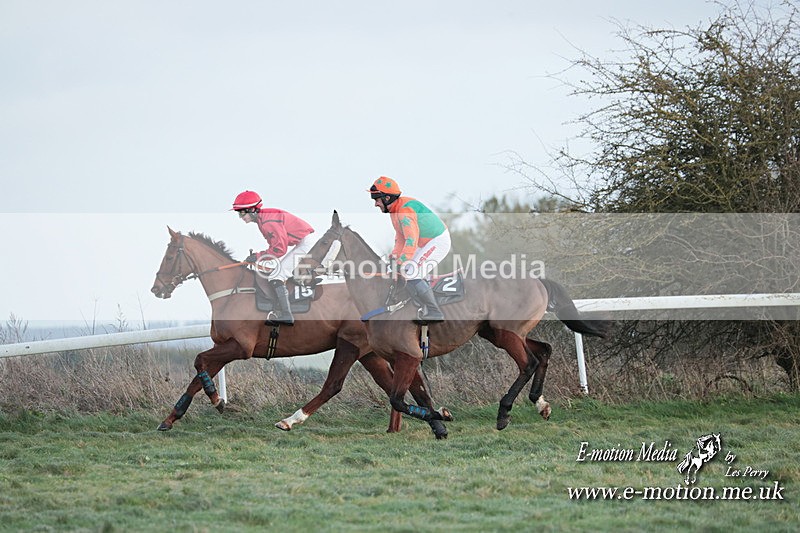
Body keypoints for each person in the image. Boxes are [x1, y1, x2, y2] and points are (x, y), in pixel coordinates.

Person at [369, 176, 451, 322]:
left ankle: (434, 311)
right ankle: (417, 303)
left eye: (377, 199)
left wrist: (400, 263)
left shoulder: (404, 211)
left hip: (437, 241)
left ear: (387, 198)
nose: (375, 204)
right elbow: (400, 238)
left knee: (412, 272)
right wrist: (394, 258)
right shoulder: (395, 211)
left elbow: (411, 241)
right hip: (424, 243)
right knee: (403, 271)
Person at [232, 190, 315, 325]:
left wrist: (258, 256)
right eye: (239, 213)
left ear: (253, 210)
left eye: (242, 212)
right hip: (301, 243)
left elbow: (279, 249)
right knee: (276, 271)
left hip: (304, 244)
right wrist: (259, 257)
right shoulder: (262, 219)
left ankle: (286, 315)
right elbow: (275, 247)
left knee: (276, 276)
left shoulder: (267, 221)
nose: (241, 217)